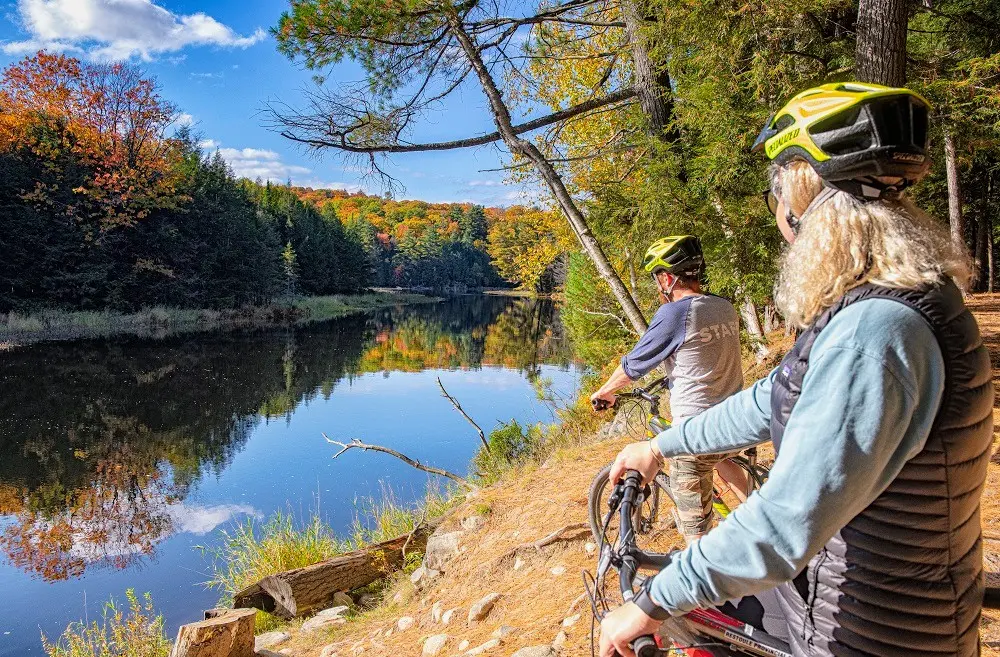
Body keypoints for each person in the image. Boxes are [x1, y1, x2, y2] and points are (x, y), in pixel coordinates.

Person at [599, 82, 993, 657]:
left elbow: (785, 523)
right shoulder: (879, 303)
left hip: (872, 631)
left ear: (802, 200)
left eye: (777, 191)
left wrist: (652, 601)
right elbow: (772, 398)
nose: (777, 215)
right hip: (842, 598)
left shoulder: (874, 333)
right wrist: (663, 445)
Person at [590, 235, 744, 543]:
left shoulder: (676, 313)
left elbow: (634, 365)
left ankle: (706, 576)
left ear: (668, 278)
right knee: (722, 459)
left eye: (658, 279)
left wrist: (605, 391)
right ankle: (756, 513)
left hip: (696, 435)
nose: (659, 286)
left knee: (696, 537)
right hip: (736, 422)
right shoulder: (723, 306)